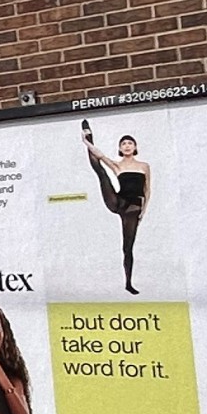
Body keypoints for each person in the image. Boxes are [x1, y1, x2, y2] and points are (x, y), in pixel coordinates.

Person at [83, 122, 153, 295]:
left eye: (130, 143)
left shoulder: (144, 166)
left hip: (134, 207)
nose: (127, 146)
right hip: (118, 201)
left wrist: (144, 210)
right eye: (123, 144)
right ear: (120, 149)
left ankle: (128, 283)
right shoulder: (117, 165)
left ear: (135, 147)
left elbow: (147, 189)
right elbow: (99, 155)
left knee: (127, 247)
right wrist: (86, 142)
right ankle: (88, 133)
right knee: (101, 173)